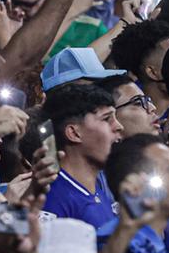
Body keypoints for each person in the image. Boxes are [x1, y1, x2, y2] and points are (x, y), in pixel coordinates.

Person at [40, 83, 123, 227]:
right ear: (74, 133)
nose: (119, 126)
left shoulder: (98, 192)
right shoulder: (53, 199)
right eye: (106, 119)